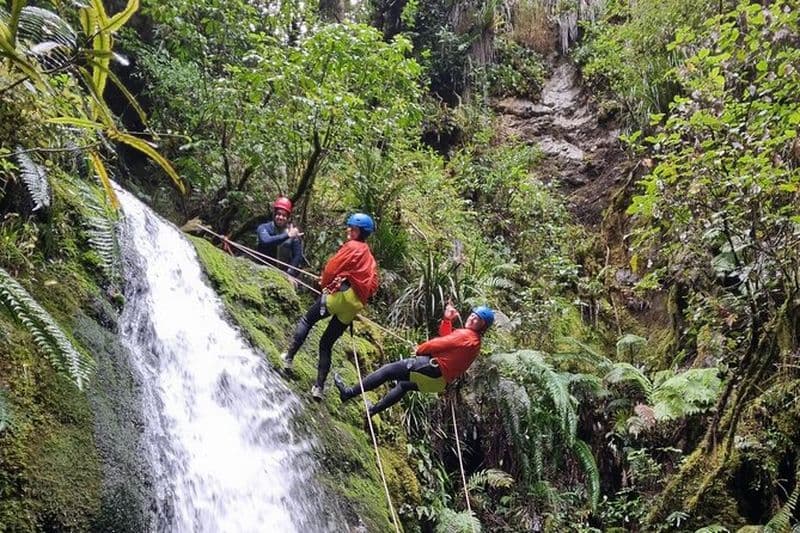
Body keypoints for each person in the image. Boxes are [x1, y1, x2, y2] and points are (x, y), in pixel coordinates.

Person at [281, 213, 379, 400]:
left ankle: (288, 358)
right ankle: (318, 388)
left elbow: (333, 268)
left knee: (307, 320)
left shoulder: (352, 247)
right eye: (349, 227)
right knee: (326, 343)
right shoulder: (371, 259)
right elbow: (373, 285)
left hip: (341, 295)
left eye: (353, 228)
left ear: (360, 232)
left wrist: (325, 285)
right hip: (354, 304)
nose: (349, 230)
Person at [334, 303, 494, 417]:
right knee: (403, 386)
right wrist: (447, 320)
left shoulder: (466, 336)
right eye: (473, 316)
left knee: (387, 370)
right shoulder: (475, 342)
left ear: (482, 326)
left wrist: (420, 349)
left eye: (477, 319)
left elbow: (439, 343)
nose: (472, 319)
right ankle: (372, 411)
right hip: (439, 382)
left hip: (432, 369)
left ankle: (348, 393)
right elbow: (448, 339)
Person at [256, 196, 303, 278]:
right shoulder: (264, 228)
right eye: (278, 214)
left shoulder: (292, 232)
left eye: (284, 215)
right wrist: (288, 235)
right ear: (274, 215)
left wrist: (289, 273)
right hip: (262, 270)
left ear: (288, 218)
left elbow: (297, 256)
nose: (281, 217)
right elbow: (266, 241)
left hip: (283, 274)